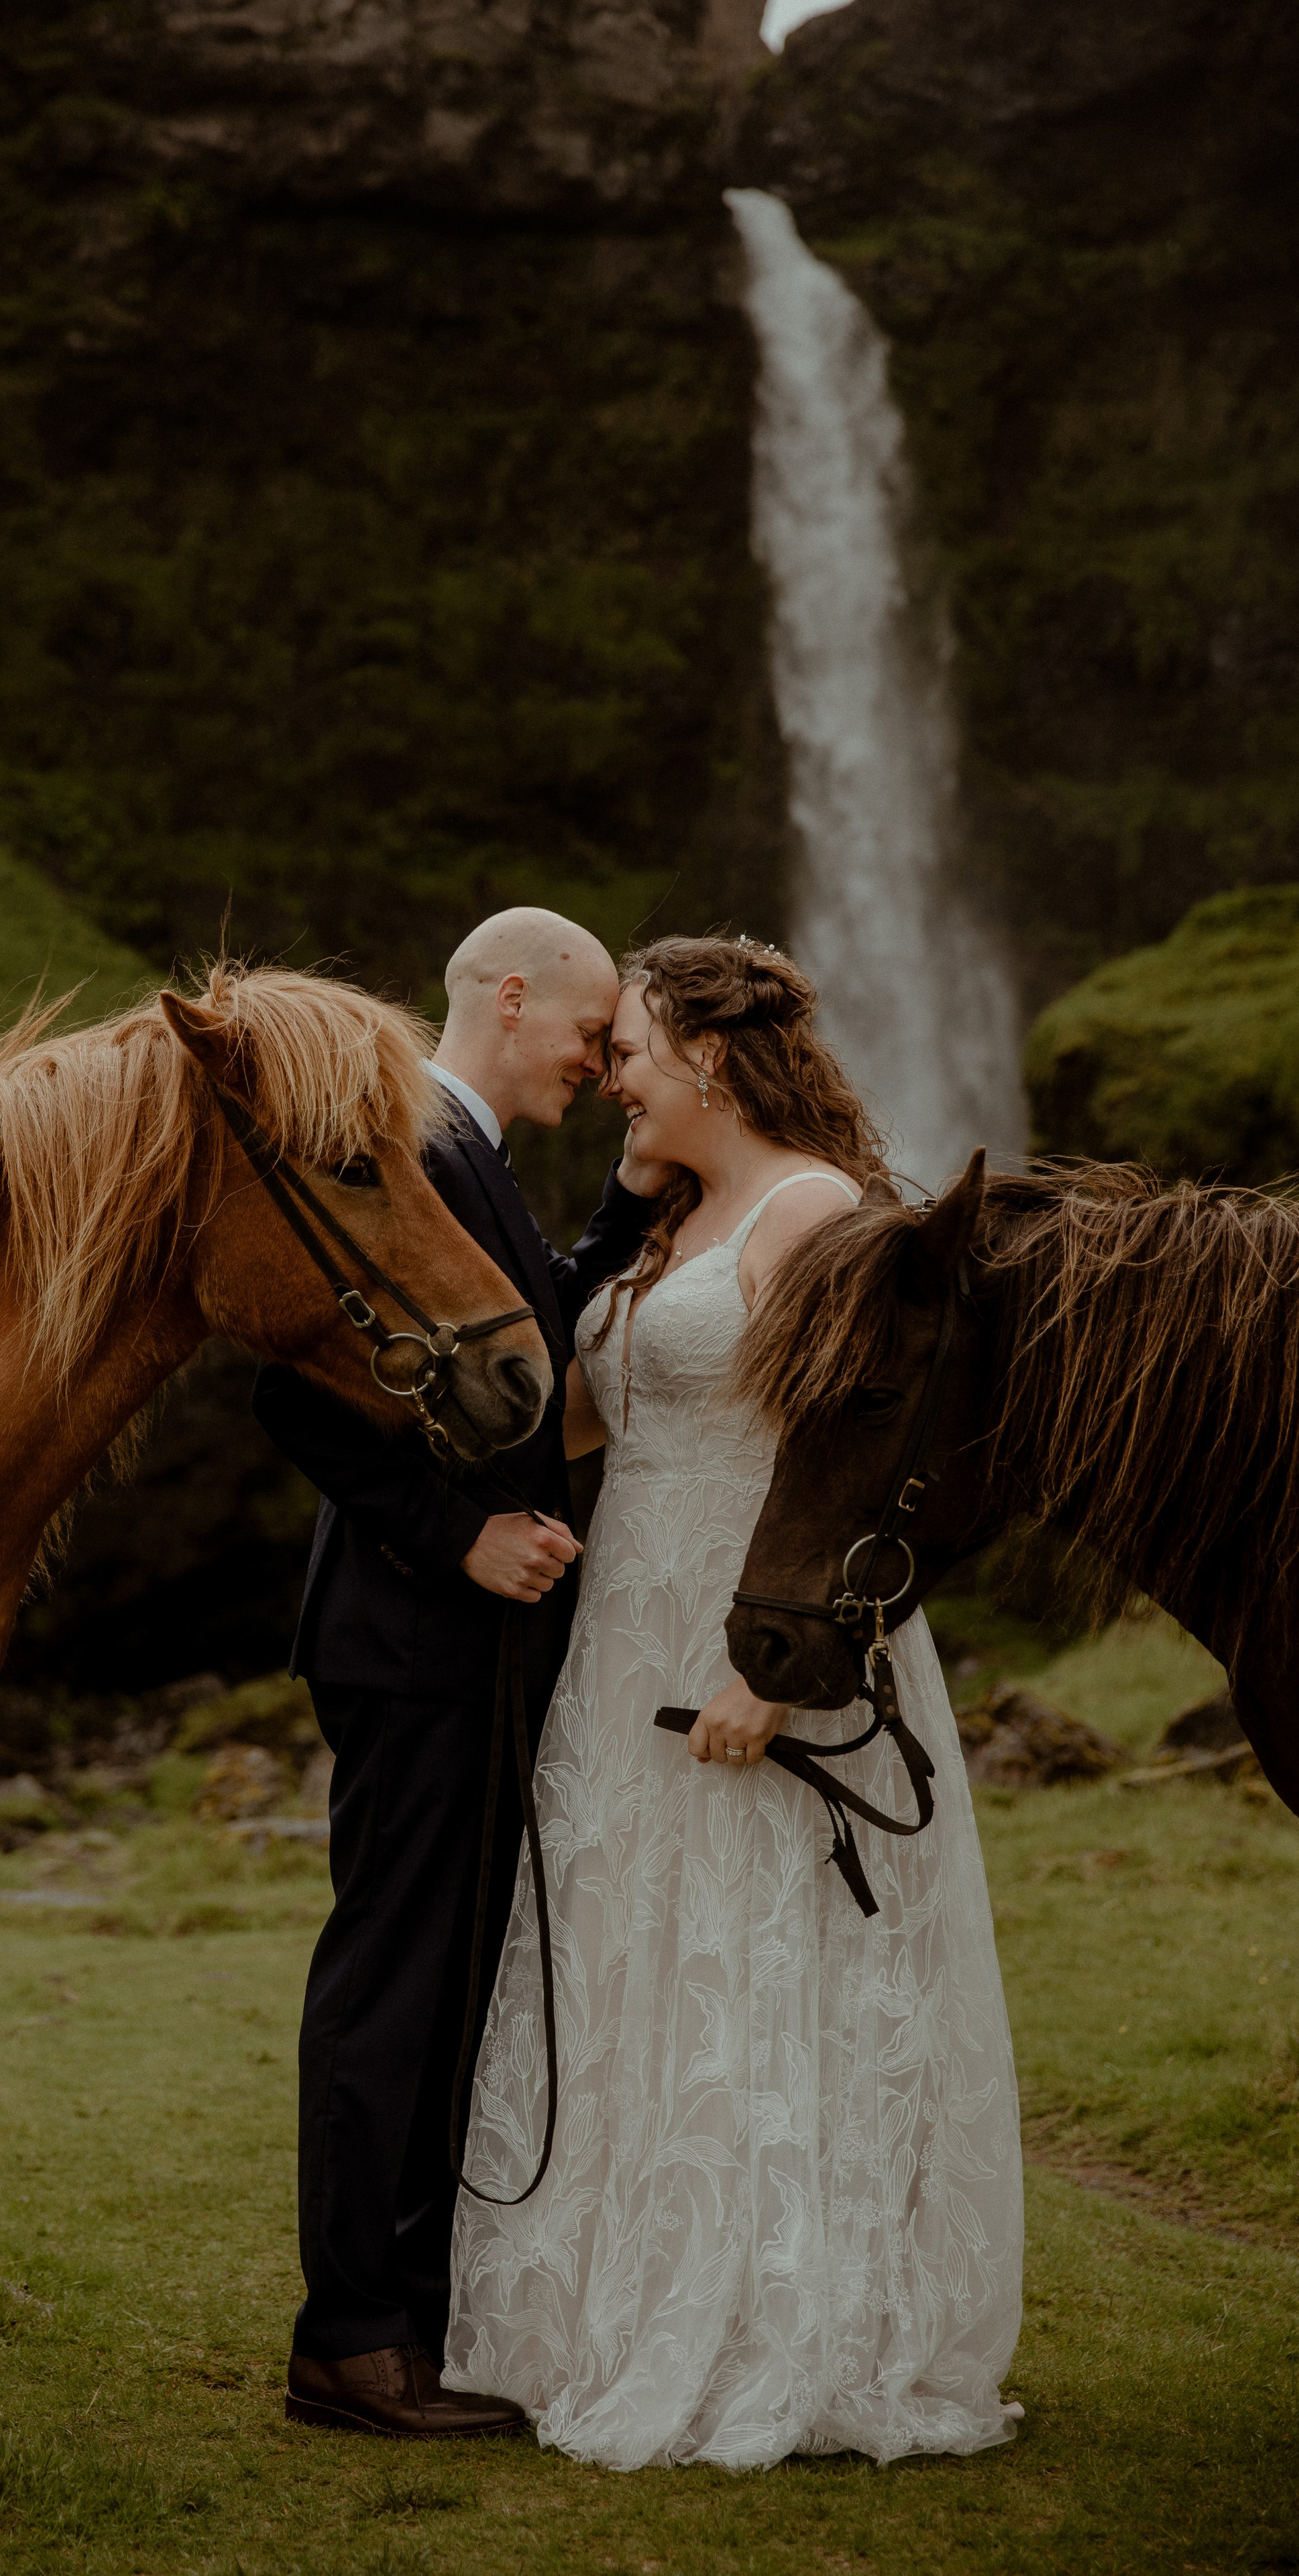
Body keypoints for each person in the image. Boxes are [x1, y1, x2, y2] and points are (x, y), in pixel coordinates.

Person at [447, 931, 1025, 2469]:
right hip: (616, 1655)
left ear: (708, 1055)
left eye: (628, 1047)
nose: (607, 1073)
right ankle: (606, 2305)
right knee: (634, 1964)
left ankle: (781, 2319)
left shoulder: (812, 1212)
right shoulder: (669, 1228)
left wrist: (765, 1678)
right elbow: (570, 1420)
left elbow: (844, 1467)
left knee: (760, 1974)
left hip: (747, 1650)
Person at [251, 906, 663, 2439]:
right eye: (590, 1028)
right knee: (395, 1983)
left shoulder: (461, 1151)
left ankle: (412, 2318)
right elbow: (288, 1392)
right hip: (412, 1636)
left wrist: (623, 1215)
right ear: (508, 997)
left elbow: (520, 1330)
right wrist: (456, 1535)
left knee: (446, 1982)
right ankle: (352, 2340)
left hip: (459, 1652)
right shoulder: (407, 1144)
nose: (603, 1057)